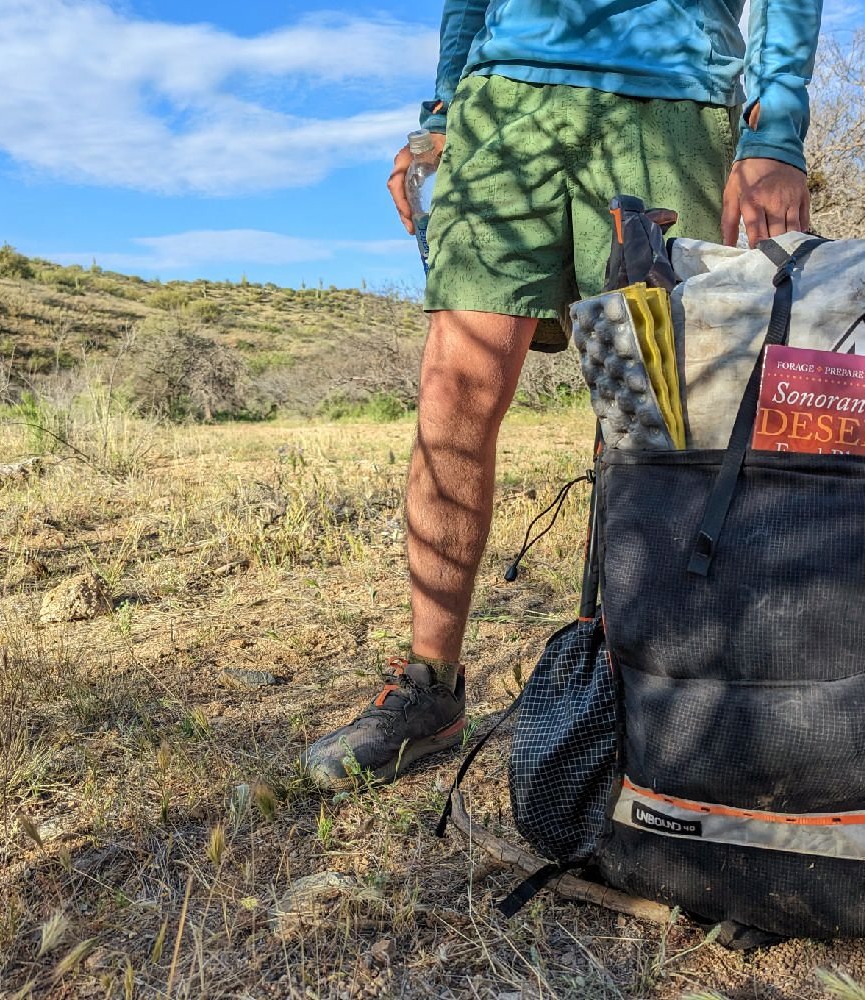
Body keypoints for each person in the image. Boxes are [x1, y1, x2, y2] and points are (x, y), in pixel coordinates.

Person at [304, 0, 823, 788]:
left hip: (671, 91)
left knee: (663, 411)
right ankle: (429, 688)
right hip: (505, 101)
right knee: (456, 389)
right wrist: (443, 108)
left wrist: (776, 125)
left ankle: (655, 692)